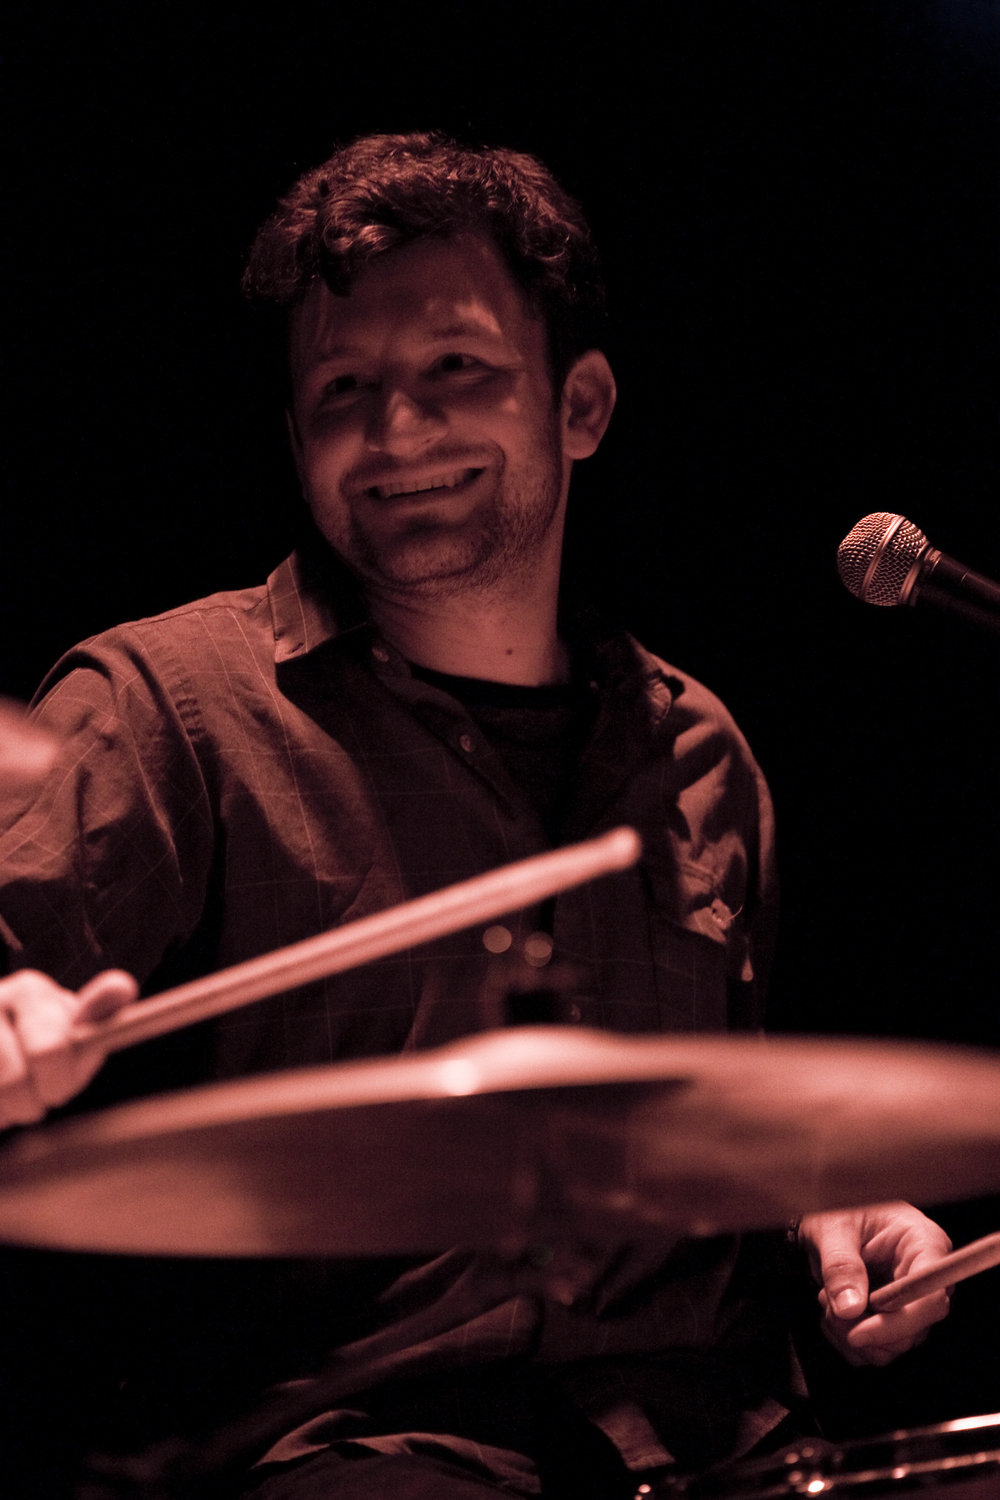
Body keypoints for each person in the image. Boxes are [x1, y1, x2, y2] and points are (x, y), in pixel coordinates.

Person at [0, 133, 951, 1499]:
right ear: (296, 436)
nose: (397, 432)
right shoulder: (169, 709)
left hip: (715, 1438)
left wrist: (821, 1204)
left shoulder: (700, 753)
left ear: (582, 404)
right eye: (343, 388)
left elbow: (709, 1127)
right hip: (360, 1450)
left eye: (456, 367)